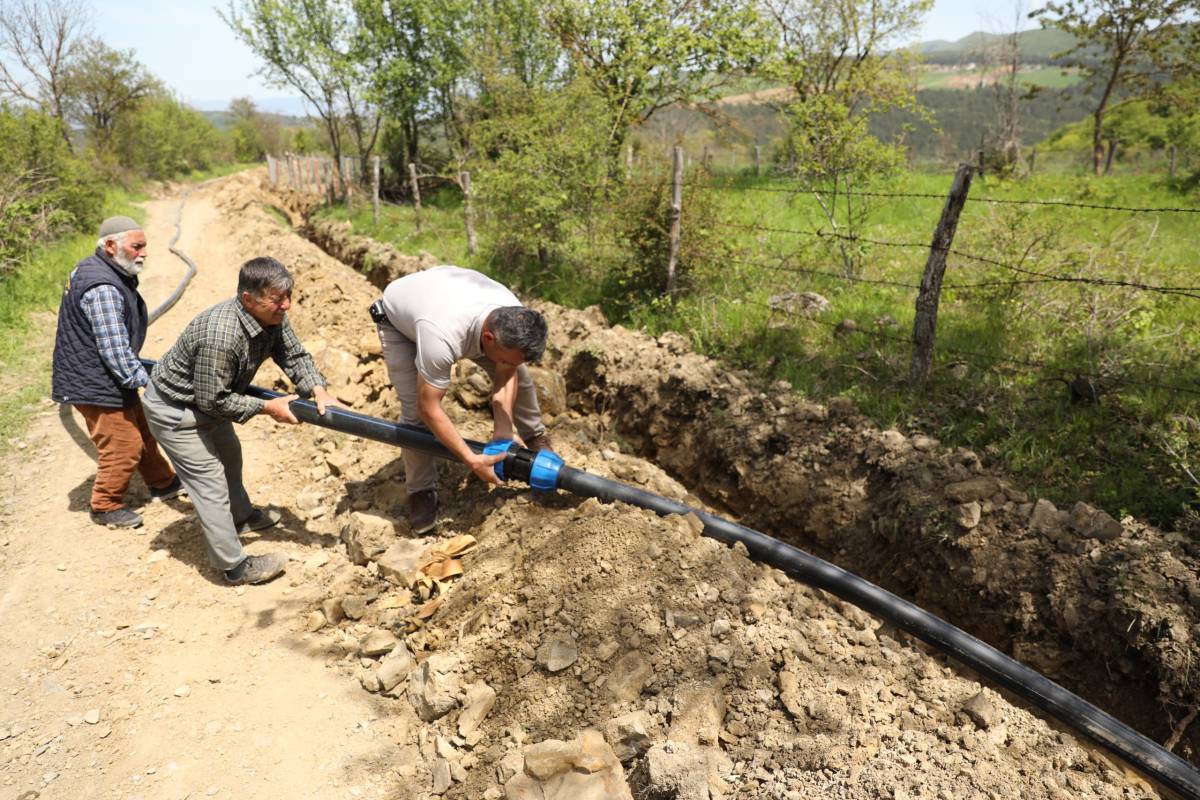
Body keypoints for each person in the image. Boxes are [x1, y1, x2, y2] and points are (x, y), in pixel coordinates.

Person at [142, 257, 341, 586]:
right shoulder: (221, 336)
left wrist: (317, 388)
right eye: (278, 299)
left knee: (231, 458)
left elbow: (292, 354)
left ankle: (241, 517)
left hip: (211, 400)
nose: (286, 305)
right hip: (176, 410)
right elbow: (213, 400)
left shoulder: (272, 317)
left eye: (288, 295)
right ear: (248, 299)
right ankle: (234, 567)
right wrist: (268, 408)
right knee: (210, 485)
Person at [372, 265, 554, 533]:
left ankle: (535, 438)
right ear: (489, 339)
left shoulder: (513, 315)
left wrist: (503, 429)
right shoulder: (442, 335)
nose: (507, 365)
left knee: (522, 381)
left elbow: (508, 371)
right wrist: (471, 459)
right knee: (414, 414)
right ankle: (420, 490)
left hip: (446, 301)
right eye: (504, 358)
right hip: (400, 323)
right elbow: (429, 407)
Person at [51, 216, 183, 529]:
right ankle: (105, 504)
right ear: (111, 246)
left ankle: (163, 482)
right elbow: (115, 351)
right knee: (124, 444)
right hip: (93, 380)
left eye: (144, 246)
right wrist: (150, 383)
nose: (144, 253)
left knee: (142, 428)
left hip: (97, 372)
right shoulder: (104, 287)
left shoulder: (94, 268)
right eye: (137, 246)